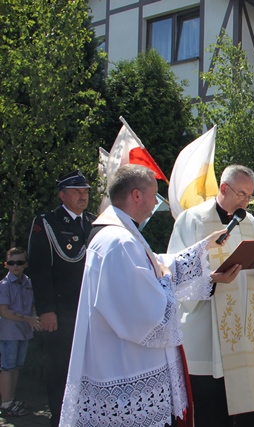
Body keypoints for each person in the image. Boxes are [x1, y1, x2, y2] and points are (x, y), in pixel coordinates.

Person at [59, 164, 230, 427]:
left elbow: (154, 266)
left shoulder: (121, 233)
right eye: (153, 195)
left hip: (124, 365)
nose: (155, 203)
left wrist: (204, 247)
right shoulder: (119, 242)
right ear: (136, 195)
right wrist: (168, 281)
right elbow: (149, 313)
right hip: (127, 371)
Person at [168, 164, 254, 427]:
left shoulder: (249, 222)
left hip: (244, 337)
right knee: (211, 413)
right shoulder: (192, 220)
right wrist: (212, 280)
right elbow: (173, 274)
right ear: (224, 188)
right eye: (241, 194)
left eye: (249, 196)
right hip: (207, 333)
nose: (246, 202)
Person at [27, 169, 95, 426]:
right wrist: (46, 309)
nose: (82, 196)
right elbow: (39, 268)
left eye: (85, 191)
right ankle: (60, 419)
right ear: (62, 195)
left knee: (89, 368)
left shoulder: (94, 222)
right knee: (60, 369)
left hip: (89, 310)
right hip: (61, 312)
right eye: (76, 191)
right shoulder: (47, 223)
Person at [0, 247, 41, 417]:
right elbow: (4, 311)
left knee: (17, 367)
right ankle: (5, 403)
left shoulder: (29, 283)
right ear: (6, 265)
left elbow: (32, 305)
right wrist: (28, 319)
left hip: (24, 332)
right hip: (9, 333)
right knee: (7, 367)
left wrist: (34, 318)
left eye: (19, 262)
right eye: (11, 263)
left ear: (26, 264)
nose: (15, 266)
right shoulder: (4, 285)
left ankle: (11, 399)